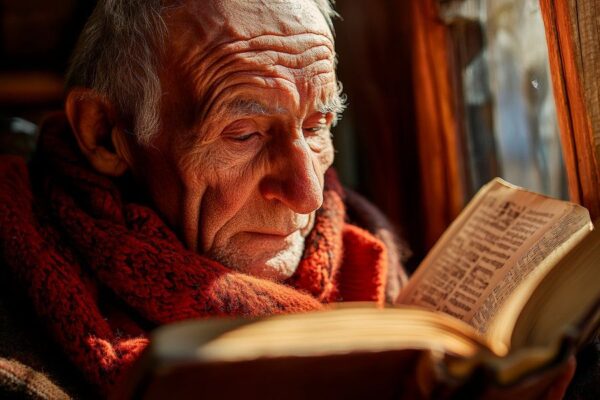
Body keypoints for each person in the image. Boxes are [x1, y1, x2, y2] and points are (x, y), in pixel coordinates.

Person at [0, 0, 408, 396]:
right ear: (104, 133)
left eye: (317, 125)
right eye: (244, 134)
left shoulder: (378, 250)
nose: (308, 196)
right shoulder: (16, 353)